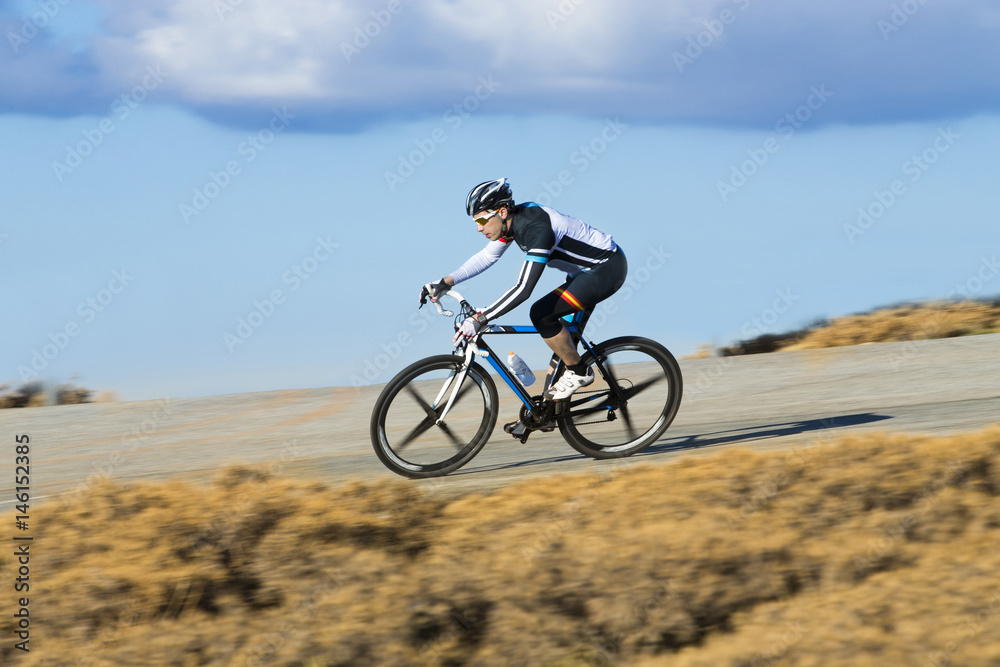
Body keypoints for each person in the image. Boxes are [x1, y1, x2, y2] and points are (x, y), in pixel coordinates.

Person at [420, 178, 628, 434]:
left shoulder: (536, 230)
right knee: (560, 341)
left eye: (482, 220)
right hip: (583, 274)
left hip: (605, 269)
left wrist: (480, 319)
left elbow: (522, 290)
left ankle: (580, 371)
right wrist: (445, 282)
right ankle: (547, 413)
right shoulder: (511, 225)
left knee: (541, 314)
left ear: (502, 212)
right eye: (475, 222)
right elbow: (486, 256)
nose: (477, 228)